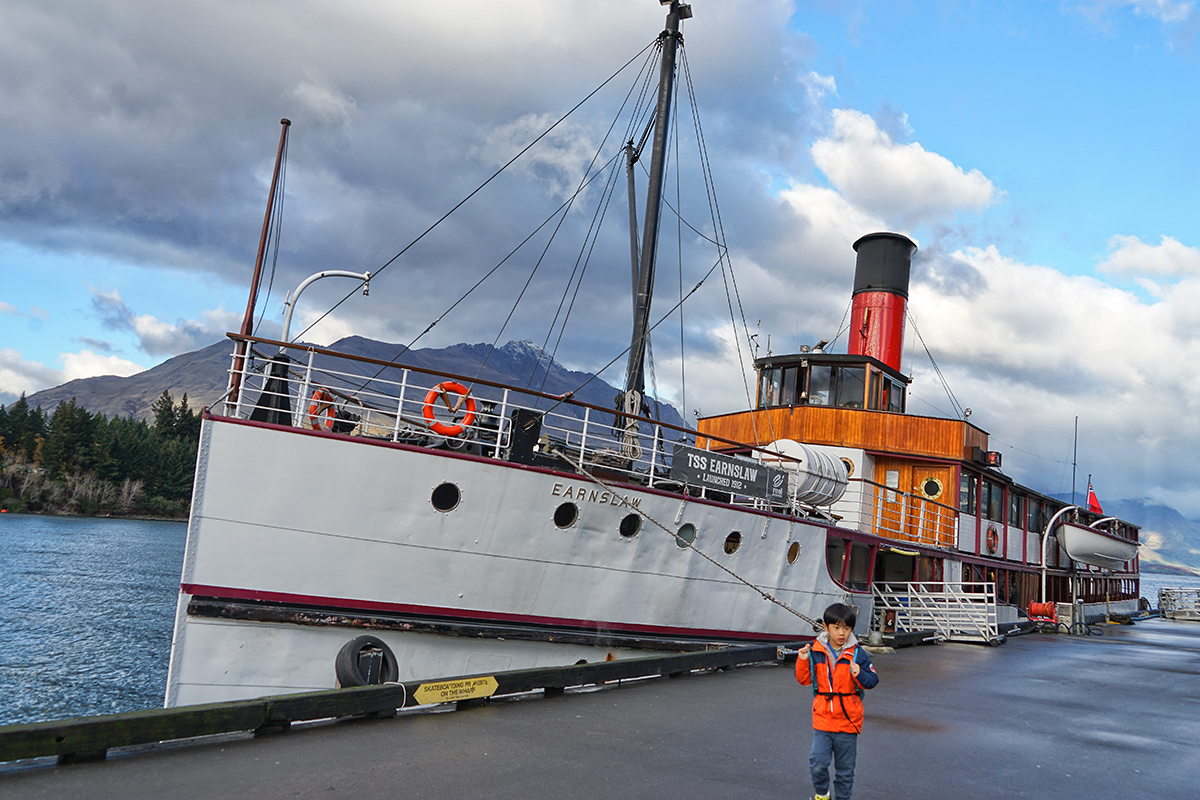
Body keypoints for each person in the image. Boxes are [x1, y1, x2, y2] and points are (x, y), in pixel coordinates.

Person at [796, 602, 878, 800]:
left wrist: (859, 674)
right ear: (826, 627)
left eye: (847, 628)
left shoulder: (858, 653)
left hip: (848, 721)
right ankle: (822, 794)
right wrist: (803, 660)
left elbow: (872, 680)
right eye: (836, 627)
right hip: (823, 719)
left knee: (845, 771)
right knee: (817, 763)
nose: (842, 633)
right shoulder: (815, 651)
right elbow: (803, 679)